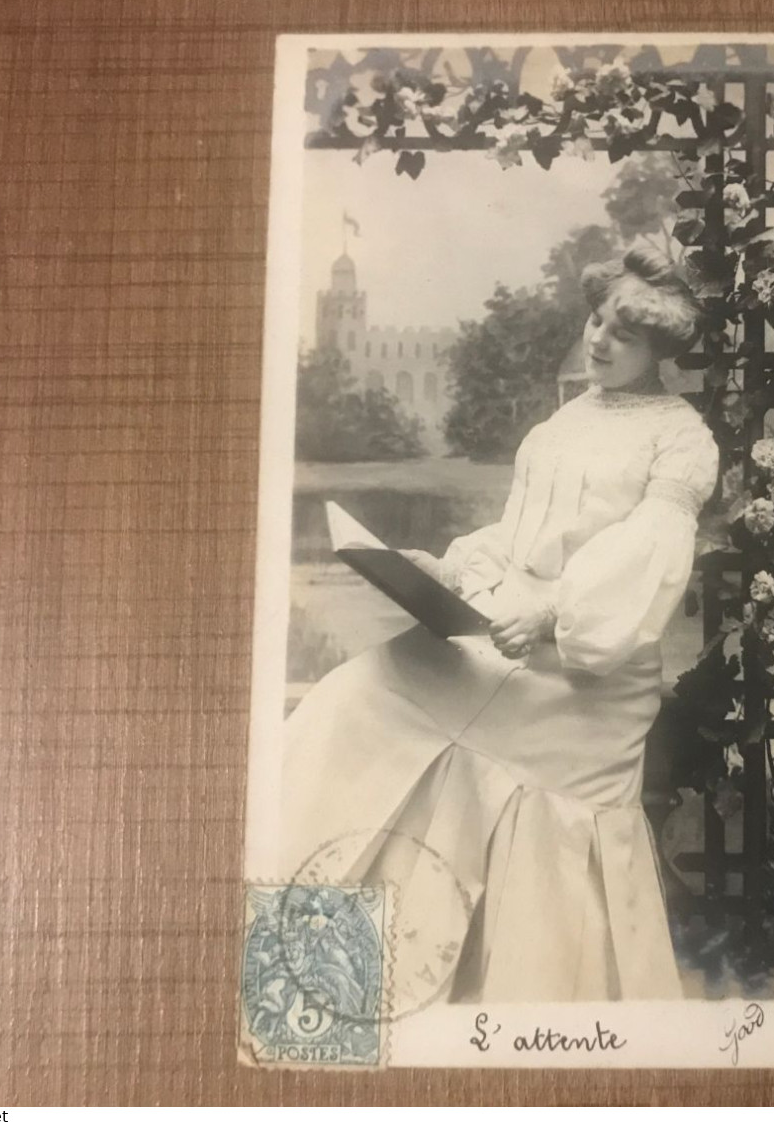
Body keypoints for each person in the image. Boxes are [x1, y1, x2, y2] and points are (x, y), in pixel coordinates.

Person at [254, 244, 721, 1003]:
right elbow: (519, 530)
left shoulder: (681, 437)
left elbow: (647, 556)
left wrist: (552, 612)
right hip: (515, 629)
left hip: (582, 673)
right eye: (597, 318)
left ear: (661, 350)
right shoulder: (572, 414)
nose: (599, 339)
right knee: (362, 691)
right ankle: (321, 953)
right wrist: (445, 568)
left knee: (397, 696)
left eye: (622, 334)